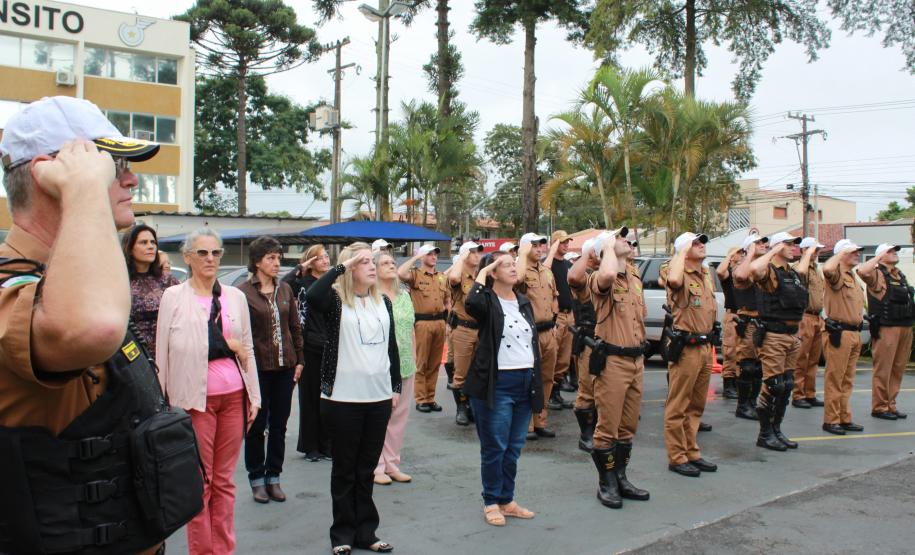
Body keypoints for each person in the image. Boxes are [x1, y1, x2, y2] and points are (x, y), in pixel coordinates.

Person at [0, 96, 201, 555]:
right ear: (51, 173)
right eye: (112, 165)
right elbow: (90, 328)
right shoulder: (13, 284)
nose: (130, 178)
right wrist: (84, 190)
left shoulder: (80, 279)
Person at [156, 228, 260, 555]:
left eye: (216, 253)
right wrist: (165, 403)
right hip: (193, 401)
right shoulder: (173, 297)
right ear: (187, 257)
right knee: (200, 482)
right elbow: (164, 353)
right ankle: (202, 551)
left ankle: (224, 549)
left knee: (225, 481)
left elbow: (248, 350)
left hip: (234, 397)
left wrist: (254, 395)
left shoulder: (235, 297)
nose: (210, 259)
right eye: (202, 253)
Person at [306, 242, 401, 555]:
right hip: (342, 399)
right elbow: (313, 297)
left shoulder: (382, 302)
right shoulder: (335, 301)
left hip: (378, 398)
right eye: (364, 263)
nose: (372, 266)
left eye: (373, 262)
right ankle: (342, 534)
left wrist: (395, 386)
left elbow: (391, 348)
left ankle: (367, 532)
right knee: (345, 470)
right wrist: (342, 266)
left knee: (366, 469)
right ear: (349, 269)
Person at [464, 252, 541, 527]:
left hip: (524, 381)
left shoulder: (523, 302)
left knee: (514, 446)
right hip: (497, 384)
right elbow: (471, 302)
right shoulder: (486, 300)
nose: (511, 268)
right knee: (495, 446)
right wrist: (485, 271)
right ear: (493, 272)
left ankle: (507, 500)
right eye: (504, 265)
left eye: (512, 264)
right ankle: (491, 501)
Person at [238, 236, 305, 503]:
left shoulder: (285, 290)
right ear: (257, 262)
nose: (277, 263)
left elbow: (295, 327)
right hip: (258, 369)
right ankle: (256, 479)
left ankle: (274, 476)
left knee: (279, 425)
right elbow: (241, 334)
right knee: (256, 425)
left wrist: (299, 360)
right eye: (271, 258)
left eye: (279, 258)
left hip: (285, 367)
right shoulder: (243, 293)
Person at [587, 228, 650, 508]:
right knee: (607, 428)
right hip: (613, 360)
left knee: (627, 428)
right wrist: (609, 245)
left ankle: (621, 477)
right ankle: (606, 481)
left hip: (636, 359)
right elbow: (609, 275)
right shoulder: (599, 278)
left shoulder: (635, 276)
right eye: (621, 239)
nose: (628, 242)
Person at [747, 233, 811, 451]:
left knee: (786, 385)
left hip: (792, 335)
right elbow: (754, 270)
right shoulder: (769, 271)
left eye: (795, 244)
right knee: (773, 385)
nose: (794, 247)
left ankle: (776, 429)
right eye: (789, 244)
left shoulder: (792, 273)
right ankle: (765, 434)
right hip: (773, 335)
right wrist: (773, 250)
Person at [663, 232, 719, 477]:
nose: (701, 246)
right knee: (679, 404)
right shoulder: (674, 269)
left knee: (696, 404)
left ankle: (691, 451)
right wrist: (681, 253)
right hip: (686, 346)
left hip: (705, 345)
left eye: (701, 242)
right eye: (695, 243)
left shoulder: (705, 273)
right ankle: (677, 456)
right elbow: (674, 282)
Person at [284, 244, 334, 461]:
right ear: (311, 261)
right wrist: (302, 266)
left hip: (331, 344)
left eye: (326, 257)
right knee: (310, 396)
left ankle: (326, 444)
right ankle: (310, 446)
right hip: (308, 345)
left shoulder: (334, 283)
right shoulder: (302, 283)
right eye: (320, 257)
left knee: (328, 397)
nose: (325, 260)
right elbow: (283, 285)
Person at [373, 250, 416, 485]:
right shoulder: (372, 297)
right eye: (385, 263)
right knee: (381, 416)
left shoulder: (405, 295)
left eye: (393, 262)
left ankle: (392, 463)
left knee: (399, 417)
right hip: (381, 366)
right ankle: (376, 466)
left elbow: (411, 330)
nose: (391, 265)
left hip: (406, 363)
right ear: (375, 269)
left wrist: (414, 360)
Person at [857, 243, 913, 421]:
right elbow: (863, 271)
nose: (894, 253)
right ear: (881, 255)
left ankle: (891, 405)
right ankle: (880, 407)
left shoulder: (899, 275)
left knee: (897, 369)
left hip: (905, 326)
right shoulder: (877, 273)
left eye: (894, 251)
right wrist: (877, 258)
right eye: (889, 251)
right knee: (884, 369)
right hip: (887, 327)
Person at [515, 233, 559, 440]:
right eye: (534, 245)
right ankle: (527, 425)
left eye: (541, 244)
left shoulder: (546, 272)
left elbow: (554, 298)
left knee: (547, 378)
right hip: (529, 333)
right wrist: (522, 256)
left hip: (548, 331)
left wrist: (555, 322)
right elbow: (518, 280)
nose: (540, 248)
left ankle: (540, 420)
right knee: (529, 379)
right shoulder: (519, 268)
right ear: (524, 248)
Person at [820, 239, 867, 435]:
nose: (857, 254)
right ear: (842, 254)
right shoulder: (836, 273)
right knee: (835, 378)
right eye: (853, 251)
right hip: (839, 332)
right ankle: (831, 420)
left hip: (854, 332)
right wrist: (840, 252)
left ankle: (844, 417)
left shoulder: (852, 276)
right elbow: (828, 268)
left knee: (847, 379)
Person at [398, 244, 448, 412]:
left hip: (440, 322)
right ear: (422, 256)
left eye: (435, 254)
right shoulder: (415, 275)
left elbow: (447, 300)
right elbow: (400, 274)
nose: (434, 257)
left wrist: (447, 322)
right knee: (422, 362)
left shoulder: (442, 277)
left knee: (434, 363)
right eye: (429, 254)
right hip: (422, 323)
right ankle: (421, 399)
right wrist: (416, 257)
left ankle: (430, 398)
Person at [123, 223, 180, 358]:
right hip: (133, 355)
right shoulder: (120, 281)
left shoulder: (168, 281)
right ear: (130, 248)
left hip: (167, 351)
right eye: (143, 242)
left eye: (153, 242)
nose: (150, 246)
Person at [731, 234, 770, 420]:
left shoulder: (764, 267)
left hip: (763, 323)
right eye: (758, 242)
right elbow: (740, 275)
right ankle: (743, 405)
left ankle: (752, 403)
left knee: (759, 367)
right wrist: (750, 253)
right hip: (749, 322)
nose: (763, 244)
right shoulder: (742, 266)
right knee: (748, 367)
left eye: (764, 242)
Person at [446, 240, 485, 426]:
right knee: (460, 372)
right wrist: (461, 257)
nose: (477, 255)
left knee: (478, 371)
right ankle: (461, 408)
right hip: (463, 329)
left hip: (481, 330)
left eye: (479, 252)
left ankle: (472, 407)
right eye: (473, 252)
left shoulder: (481, 274)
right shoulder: (459, 274)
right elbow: (453, 279)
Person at [568, 238, 600, 452]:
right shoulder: (586, 278)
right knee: (587, 389)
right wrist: (587, 253)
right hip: (589, 339)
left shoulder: (608, 275)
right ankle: (586, 434)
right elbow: (574, 276)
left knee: (604, 391)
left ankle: (601, 430)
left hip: (610, 340)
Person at [792, 237, 827, 409]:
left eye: (818, 250)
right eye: (813, 250)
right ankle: (798, 394)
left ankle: (810, 393)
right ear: (803, 251)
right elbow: (800, 273)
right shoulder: (800, 267)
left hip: (816, 317)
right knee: (802, 358)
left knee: (813, 359)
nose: (816, 253)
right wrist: (807, 255)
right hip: (804, 316)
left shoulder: (816, 269)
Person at [548, 230, 577, 407]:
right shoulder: (549, 264)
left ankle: (556, 392)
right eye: (562, 242)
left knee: (564, 358)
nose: (566, 245)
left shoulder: (567, 264)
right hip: (556, 317)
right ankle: (549, 394)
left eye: (567, 242)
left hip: (569, 315)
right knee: (552, 355)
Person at [716, 247, 743, 400]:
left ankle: (740, 383)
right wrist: (730, 256)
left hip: (745, 315)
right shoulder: (729, 274)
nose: (742, 255)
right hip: (732, 314)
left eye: (742, 252)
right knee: (731, 352)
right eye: (738, 253)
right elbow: (720, 272)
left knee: (743, 352)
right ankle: (729, 385)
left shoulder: (745, 274)